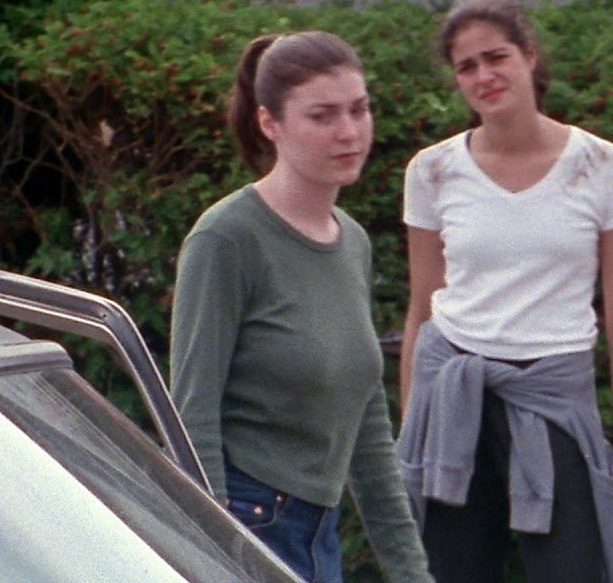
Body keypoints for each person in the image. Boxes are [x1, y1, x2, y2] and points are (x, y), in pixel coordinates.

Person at [395, 0, 613, 583]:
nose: (484, 75)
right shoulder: (432, 171)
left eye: (496, 57)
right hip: (453, 402)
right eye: (467, 66)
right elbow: (420, 312)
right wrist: (412, 441)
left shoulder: (603, 167)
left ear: (529, 56)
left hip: (555, 400)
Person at [170, 31, 433, 583]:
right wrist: (220, 555)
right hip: (250, 525)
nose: (349, 132)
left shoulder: (352, 241)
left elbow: (365, 418)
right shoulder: (226, 239)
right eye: (322, 116)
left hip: (317, 532)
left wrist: (411, 571)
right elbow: (193, 417)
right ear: (270, 123)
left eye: (359, 109)